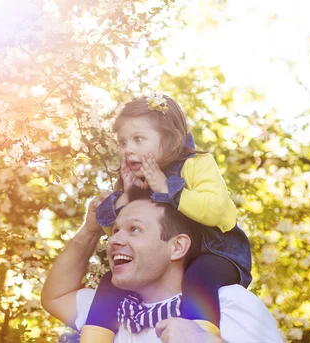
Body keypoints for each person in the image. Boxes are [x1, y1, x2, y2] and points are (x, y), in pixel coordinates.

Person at [84, 94, 252, 341]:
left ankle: (199, 335)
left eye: (138, 139)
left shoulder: (197, 164)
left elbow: (214, 209)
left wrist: (166, 189)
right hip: (169, 260)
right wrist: (127, 196)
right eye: (122, 142)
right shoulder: (137, 176)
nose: (128, 149)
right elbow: (121, 233)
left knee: (199, 277)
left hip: (216, 254)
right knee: (110, 282)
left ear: (169, 139)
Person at [41, 189, 283, 342]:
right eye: (114, 231)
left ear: (176, 247)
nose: (114, 240)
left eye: (134, 229)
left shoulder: (229, 303)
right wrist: (90, 229)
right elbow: (55, 296)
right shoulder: (110, 311)